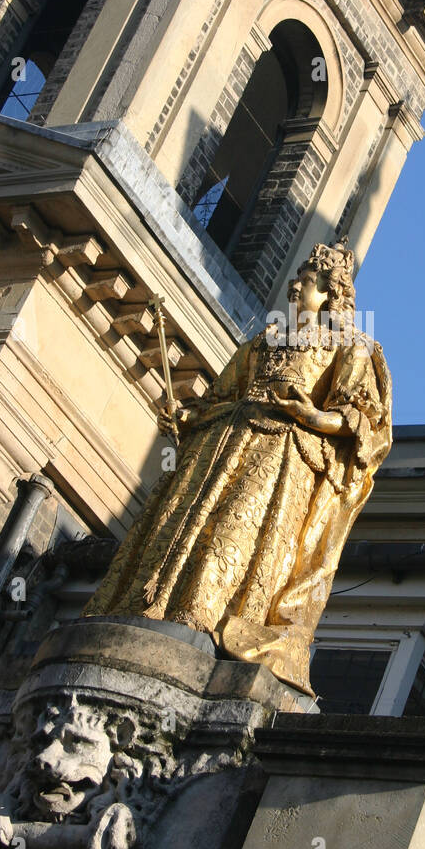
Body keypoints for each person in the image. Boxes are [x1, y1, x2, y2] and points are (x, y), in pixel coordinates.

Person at [81, 240, 392, 696]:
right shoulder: (263, 342)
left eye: (305, 279)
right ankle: (153, 608)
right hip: (218, 449)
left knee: (235, 536)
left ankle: (204, 621)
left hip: (280, 459)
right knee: (184, 526)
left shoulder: (350, 347)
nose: (294, 283)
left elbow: (363, 423)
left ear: (328, 293)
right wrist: (189, 418)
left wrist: (309, 416)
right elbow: (221, 399)